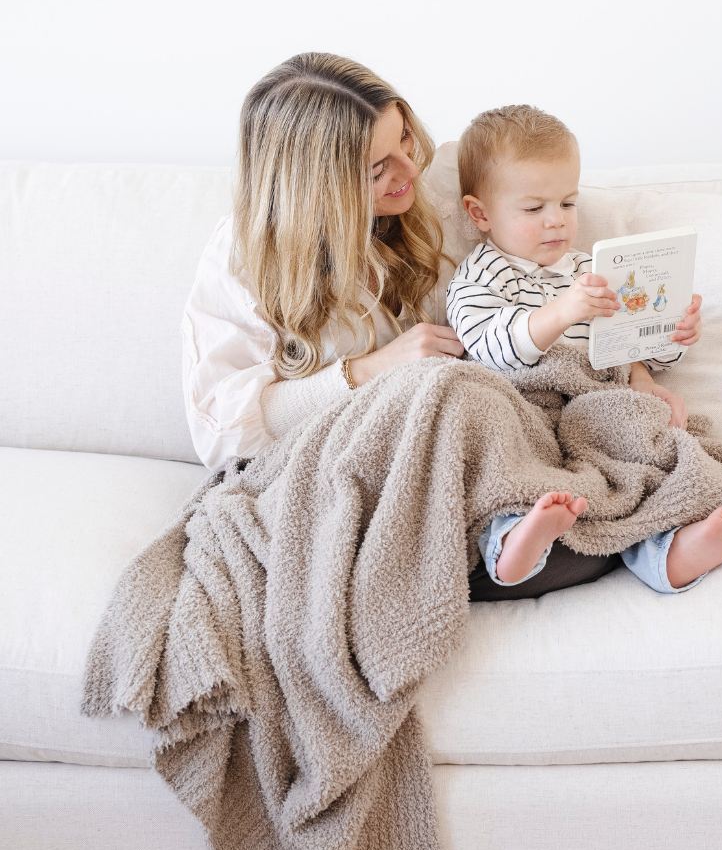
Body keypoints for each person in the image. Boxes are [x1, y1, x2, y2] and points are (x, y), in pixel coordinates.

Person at [180, 52, 665, 602]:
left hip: (492, 439)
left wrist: (639, 366)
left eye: (405, 139)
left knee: (592, 443)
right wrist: (369, 373)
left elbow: (551, 291)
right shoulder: (244, 257)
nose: (410, 171)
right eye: (376, 168)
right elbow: (221, 433)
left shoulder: (448, 188)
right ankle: (523, 545)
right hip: (371, 464)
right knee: (447, 393)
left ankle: (554, 535)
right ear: (315, 186)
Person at [446, 105, 722, 593]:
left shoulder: (592, 268)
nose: (556, 222)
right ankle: (513, 545)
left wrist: (670, 337)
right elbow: (493, 349)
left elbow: (628, 349)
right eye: (534, 208)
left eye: (567, 204)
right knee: (503, 473)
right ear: (480, 213)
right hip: (523, 412)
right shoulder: (477, 278)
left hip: (594, 410)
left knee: (644, 461)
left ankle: (667, 551)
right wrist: (563, 311)